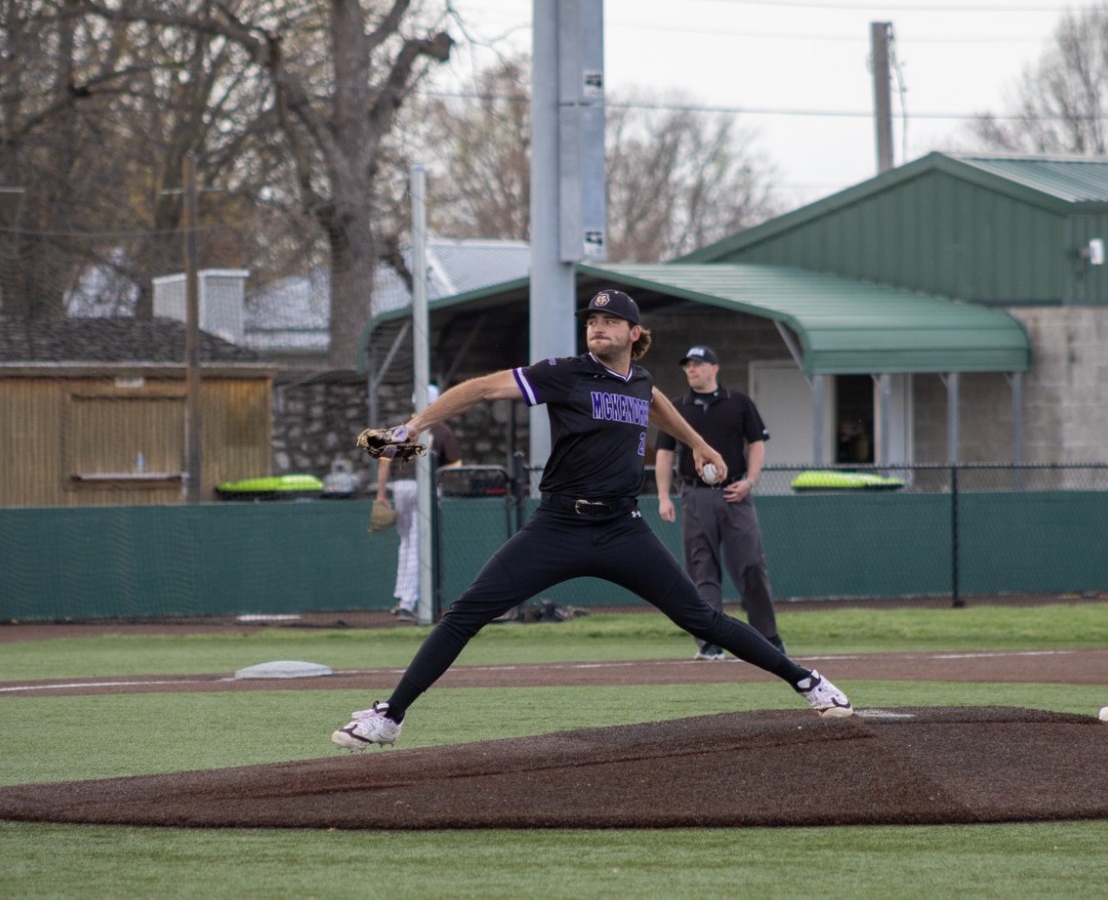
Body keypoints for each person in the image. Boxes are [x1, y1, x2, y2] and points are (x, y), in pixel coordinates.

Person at [333, 289, 853, 749]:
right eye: (590, 321)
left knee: (701, 617)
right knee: (466, 612)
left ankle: (807, 681)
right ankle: (389, 717)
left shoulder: (640, 380)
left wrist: (698, 443)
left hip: (622, 529)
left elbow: (656, 404)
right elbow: (485, 388)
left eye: (608, 321)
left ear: (634, 333)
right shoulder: (565, 374)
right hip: (558, 526)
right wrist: (416, 424)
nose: (597, 327)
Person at [653, 345, 784, 661]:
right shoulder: (677, 407)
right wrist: (662, 496)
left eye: (698, 364)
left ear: (714, 368)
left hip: (735, 493)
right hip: (695, 494)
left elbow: (757, 444)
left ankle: (767, 637)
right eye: (688, 366)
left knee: (751, 564)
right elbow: (665, 453)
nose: (691, 370)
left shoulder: (738, 403)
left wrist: (750, 481)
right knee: (702, 569)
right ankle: (710, 641)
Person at [373, 386, 462, 621]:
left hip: (401, 487)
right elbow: (455, 467)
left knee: (406, 542)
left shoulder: (401, 428)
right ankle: (407, 603)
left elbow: (384, 463)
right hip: (426, 488)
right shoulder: (442, 431)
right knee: (416, 543)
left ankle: (402, 594)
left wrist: (381, 493)